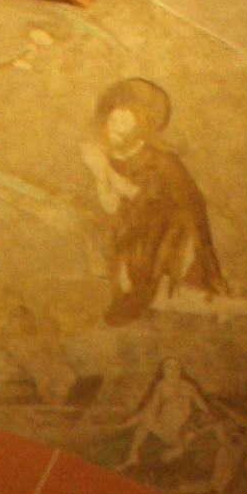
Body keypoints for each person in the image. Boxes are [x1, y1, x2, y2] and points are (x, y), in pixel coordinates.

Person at [86, 76, 226, 320]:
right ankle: (232, 308)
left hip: (171, 237)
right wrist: (100, 173)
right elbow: (110, 207)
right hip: (135, 237)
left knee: (154, 291)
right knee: (133, 289)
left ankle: (236, 307)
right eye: (113, 119)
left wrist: (106, 172)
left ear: (141, 123)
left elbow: (172, 204)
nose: (115, 126)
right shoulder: (109, 157)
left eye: (124, 120)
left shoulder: (162, 162)